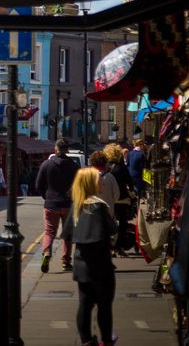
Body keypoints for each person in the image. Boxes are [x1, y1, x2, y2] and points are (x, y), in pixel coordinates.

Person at [61, 167, 119, 346]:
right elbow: (111, 231)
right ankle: (107, 340)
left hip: (81, 265)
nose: (102, 181)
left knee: (84, 305)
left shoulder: (77, 206)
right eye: (99, 179)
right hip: (101, 265)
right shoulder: (98, 206)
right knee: (104, 306)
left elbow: (69, 235)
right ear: (91, 183)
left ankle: (86, 340)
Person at [35, 138, 79, 273]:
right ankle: (66, 261)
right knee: (68, 234)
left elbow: (38, 185)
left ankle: (47, 252)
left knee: (49, 232)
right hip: (68, 204)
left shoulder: (46, 164)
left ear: (55, 149)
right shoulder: (74, 166)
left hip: (51, 204)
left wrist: (46, 196)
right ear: (67, 150)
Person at [104, 143, 136, 254]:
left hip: (109, 199)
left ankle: (110, 247)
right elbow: (130, 183)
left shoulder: (106, 167)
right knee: (123, 224)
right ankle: (119, 247)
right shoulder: (121, 167)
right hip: (122, 199)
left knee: (108, 223)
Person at [88, 151, 119, 216]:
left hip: (91, 212)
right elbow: (117, 195)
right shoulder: (110, 177)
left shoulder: (88, 176)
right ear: (105, 162)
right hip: (108, 212)